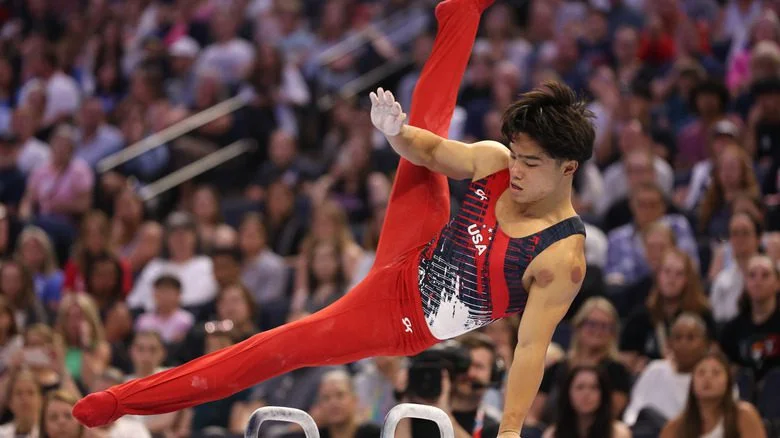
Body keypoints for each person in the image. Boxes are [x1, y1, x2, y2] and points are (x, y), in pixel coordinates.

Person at [72, 2, 592, 437]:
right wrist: (395, 134)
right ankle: (463, 10)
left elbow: (530, 348)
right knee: (423, 134)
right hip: (419, 243)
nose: (516, 169)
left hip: (398, 316)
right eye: (517, 156)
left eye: (531, 163)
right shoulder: (499, 163)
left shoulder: (560, 257)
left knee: (276, 347)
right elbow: (432, 151)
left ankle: (121, 401)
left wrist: (508, 434)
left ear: (568, 168)